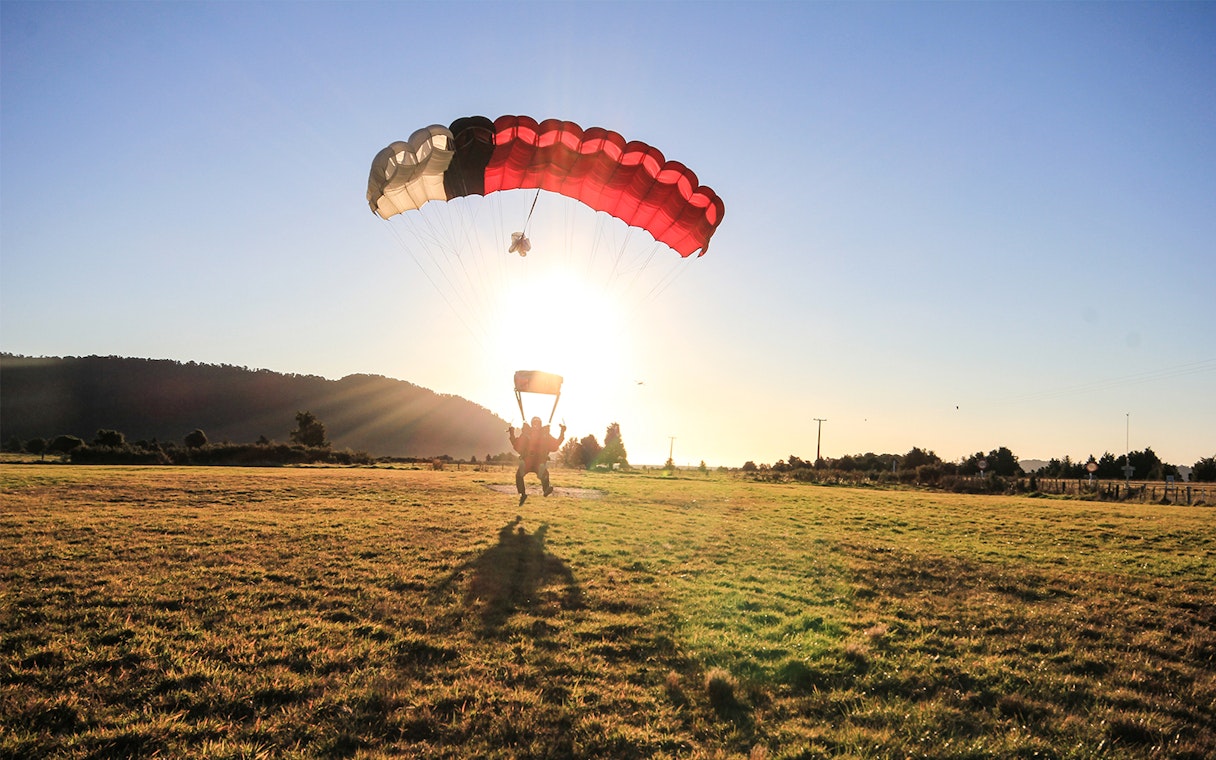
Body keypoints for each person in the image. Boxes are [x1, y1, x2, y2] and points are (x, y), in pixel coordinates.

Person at [508, 416, 565, 506]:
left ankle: (544, 490)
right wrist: (511, 433)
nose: (535, 426)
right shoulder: (543, 435)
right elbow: (555, 445)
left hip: (532, 462)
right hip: (533, 462)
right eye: (534, 423)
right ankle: (523, 493)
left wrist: (562, 432)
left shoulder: (535, 435)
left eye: (537, 423)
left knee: (542, 473)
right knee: (522, 475)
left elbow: (516, 445)